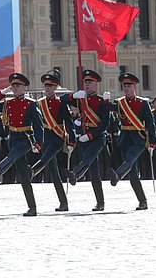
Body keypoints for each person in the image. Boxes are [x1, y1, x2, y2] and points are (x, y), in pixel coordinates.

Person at [0, 73, 44, 216]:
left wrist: (38, 143)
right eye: (13, 86)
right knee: (24, 175)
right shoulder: (8, 103)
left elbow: (38, 125)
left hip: (25, 138)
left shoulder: (31, 104)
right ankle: (32, 207)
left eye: (18, 85)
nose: (15, 88)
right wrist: (2, 93)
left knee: (12, 155)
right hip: (13, 137)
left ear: (24, 87)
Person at [61, 69, 111, 211]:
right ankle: (100, 202)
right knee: (94, 172)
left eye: (90, 82)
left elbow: (104, 123)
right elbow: (62, 99)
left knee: (88, 159)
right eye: (86, 82)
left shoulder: (101, 101)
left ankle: (75, 173)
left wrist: (90, 135)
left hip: (97, 137)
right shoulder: (81, 99)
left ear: (96, 84)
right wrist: (74, 95)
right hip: (84, 138)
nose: (87, 85)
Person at [106, 73, 156, 210]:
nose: (126, 88)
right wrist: (104, 101)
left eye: (129, 86)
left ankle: (117, 175)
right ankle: (143, 201)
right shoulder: (120, 102)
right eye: (124, 86)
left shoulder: (143, 103)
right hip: (124, 139)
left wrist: (153, 141)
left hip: (138, 139)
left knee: (129, 159)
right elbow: (107, 109)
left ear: (134, 87)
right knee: (133, 173)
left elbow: (150, 124)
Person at [31, 72, 76, 211]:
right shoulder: (40, 103)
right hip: (45, 138)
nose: (48, 88)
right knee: (54, 173)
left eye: (50, 86)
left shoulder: (61, 103)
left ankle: (33, 170)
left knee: (47, 156)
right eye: (46, 86)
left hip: (57, 138)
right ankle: (64, 203)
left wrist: (72, 141)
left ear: (56, 87)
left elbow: (69, 123)